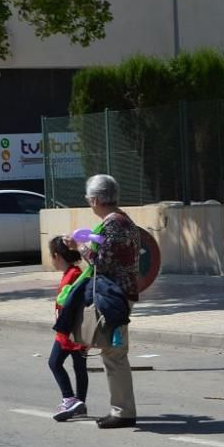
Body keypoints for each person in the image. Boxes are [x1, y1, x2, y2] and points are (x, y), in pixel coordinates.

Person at [79, 174, 141, 429]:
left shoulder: (114, 224)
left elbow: (102, 263)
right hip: (122, 294)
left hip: (115, 297)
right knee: (113, 352)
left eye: (88, 199)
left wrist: (83, 250)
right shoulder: (122, 221)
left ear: (95, 199)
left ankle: (123, 411)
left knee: (114, 354)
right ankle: (122, 408)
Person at [48, 236, 89, 422]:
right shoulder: (73, 272)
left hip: (69, 331)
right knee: (79, 367)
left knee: (54, 362)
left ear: (57, 256)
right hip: (74, 329)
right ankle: (80, 403)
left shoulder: (73, 275)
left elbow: (72, 303)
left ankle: (69, 398)